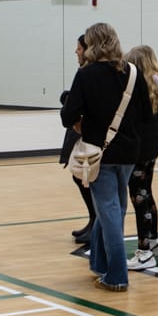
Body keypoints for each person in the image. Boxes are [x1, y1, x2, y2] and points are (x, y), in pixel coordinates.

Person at [60, 22, 153, 293]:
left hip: (98, 152)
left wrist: (83, 125)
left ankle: (117, 275)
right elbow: (146, 113)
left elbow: (68, 115)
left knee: (110, 212)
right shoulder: (133, 72)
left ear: (92, 44)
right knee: (113, 208)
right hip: (129, 153)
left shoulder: (86, 75)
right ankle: (99, 263)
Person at [124, 45, 158, 270]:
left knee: (139, 200)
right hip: (152, 151)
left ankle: (144, 251)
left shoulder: (138, 95)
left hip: (138, 153)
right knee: (147, 195)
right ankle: (154, 241)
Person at [59, 35, 97, 249]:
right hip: (81, 133)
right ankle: (93, 219)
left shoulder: (88, 74)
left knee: (86, 177)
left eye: (79, 48)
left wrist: (69, 101)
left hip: (90, 135)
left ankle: (96, 222)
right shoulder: (86, 72)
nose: (76, 52)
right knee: (79, 176)